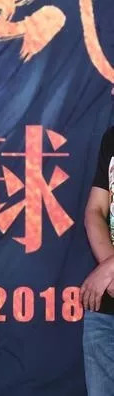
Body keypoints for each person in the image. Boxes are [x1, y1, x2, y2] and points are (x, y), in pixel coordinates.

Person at [80, 119, 114, 396]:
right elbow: (95, 212)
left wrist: (109, 269)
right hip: (106, 304)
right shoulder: (111, 137)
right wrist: (109, 273)